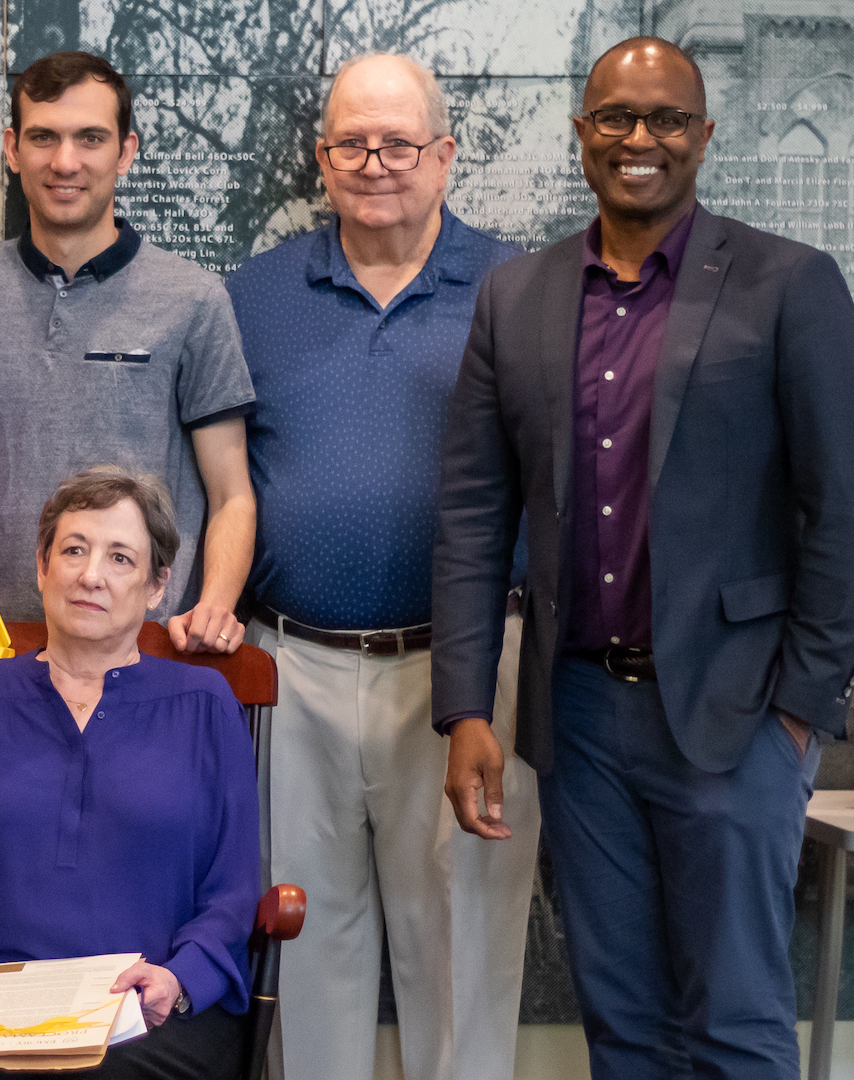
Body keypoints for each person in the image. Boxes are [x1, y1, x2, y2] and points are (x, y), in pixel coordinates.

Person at [433, 36, 854, 1080]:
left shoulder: (790, 286)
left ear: (704, 136)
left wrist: (800, 713)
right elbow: (471, 510)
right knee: (624, 1025)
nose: (641, 139)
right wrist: (465, 707)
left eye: (667, 120)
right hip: (582, 721)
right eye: (617, 118)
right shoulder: (518, 298)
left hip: (739, 720)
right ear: (583, 131)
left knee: (733, 1025)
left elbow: (852, 512)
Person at [226, 54, 536, 1080]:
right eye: (351, 143)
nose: (374, 163)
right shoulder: (253, 296)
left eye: (398, 143)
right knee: (305, 947)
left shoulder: (521, 290)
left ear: (445, 155)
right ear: (322, 158)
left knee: (464, 949)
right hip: (293, 665)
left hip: (467, 676)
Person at [0, 466, 261, 1079]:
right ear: (42, 566)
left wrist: (180, 975)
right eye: (73, 550)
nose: (91, 575)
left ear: (156, 586)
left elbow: (233, 893)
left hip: (148, 1008)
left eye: (120, 558)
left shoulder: (204, 704)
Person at [0, 50, 256, 650]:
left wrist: (215, 607)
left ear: (125, 152)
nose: (65, 161)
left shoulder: (194, 299)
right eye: (44, 136)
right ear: (12, 149)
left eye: (90, 138)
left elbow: (231, 493)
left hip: (142, 653)